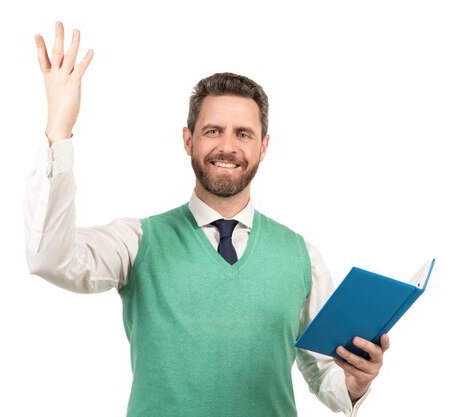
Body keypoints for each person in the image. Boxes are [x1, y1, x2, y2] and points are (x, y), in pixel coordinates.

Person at [24, 21, 389, 417]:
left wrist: (354, 383)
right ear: (188, 140)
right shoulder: (138, 241)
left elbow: (324, 376)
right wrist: (59, 130)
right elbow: (50, 258)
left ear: (264, 146)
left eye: (244, 134)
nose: (228, 147)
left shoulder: (302, 257)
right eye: (213, 131)